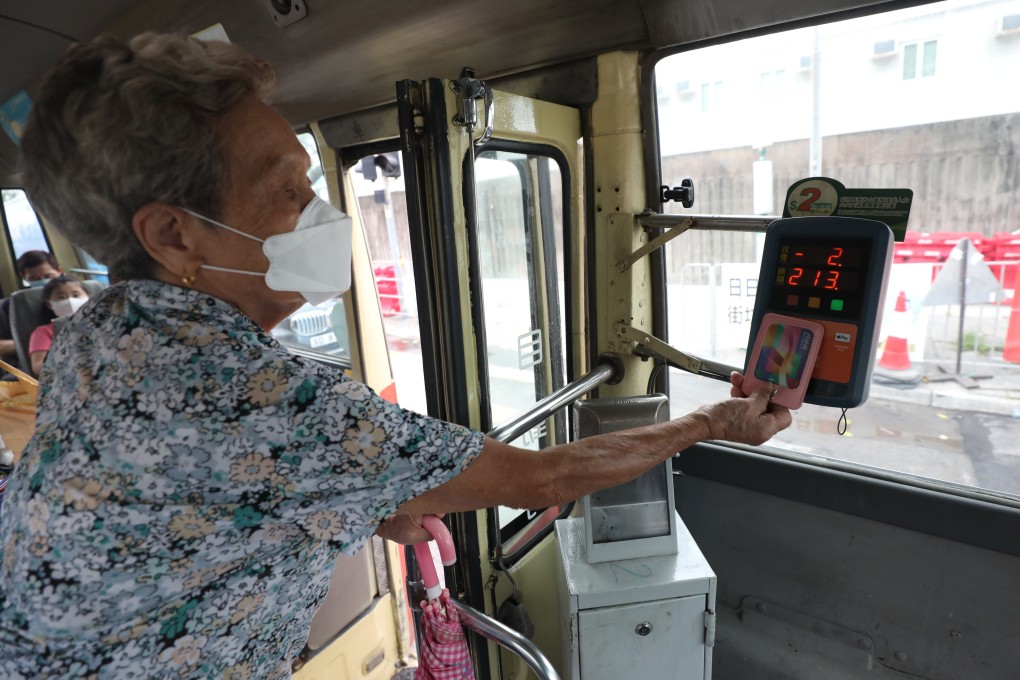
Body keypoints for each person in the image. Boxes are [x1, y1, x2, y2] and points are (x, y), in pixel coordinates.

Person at [0, 34, 792, 678]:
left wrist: (360, 501)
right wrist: (714, 420)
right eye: (286, 191)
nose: (319, 214)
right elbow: (540, 478)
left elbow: (200, 500)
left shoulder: (106, 333)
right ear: (173, 235)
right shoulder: (256, 395)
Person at [0, 251, 63, 371]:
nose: (42, 281)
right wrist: (37, 344)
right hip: (23, 367)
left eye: (48, 276)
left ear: (59, 271)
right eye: (34, 278)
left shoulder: (75, 297)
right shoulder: (7, 307)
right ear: (23, 277)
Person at [27, 275, 91, 376]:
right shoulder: (43, 332)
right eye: (61, 297)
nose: (70, 301)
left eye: (76, 295)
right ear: (49, 304)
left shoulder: (103, 321)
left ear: (88, 297)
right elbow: (39, 366)